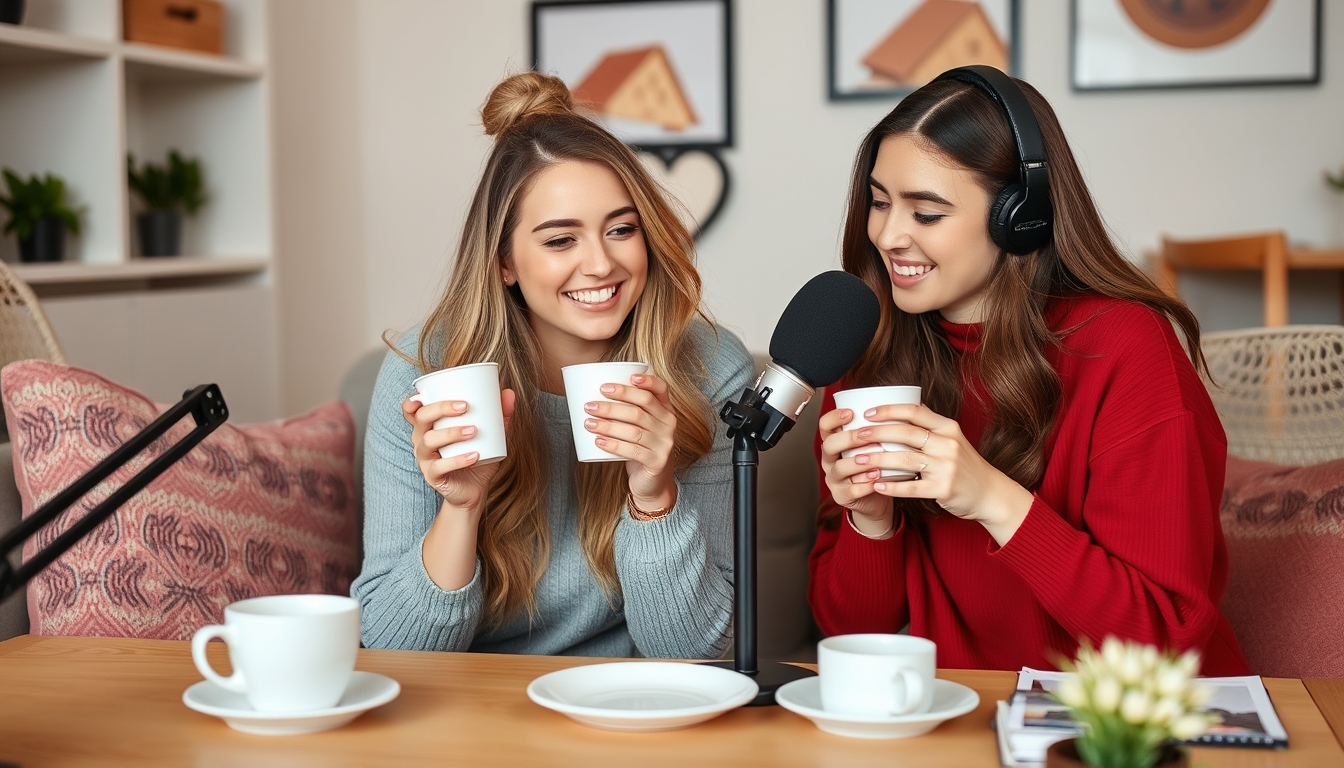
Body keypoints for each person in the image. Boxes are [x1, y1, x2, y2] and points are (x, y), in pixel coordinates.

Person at [807, 67, 1250, 675]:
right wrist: (870, 519)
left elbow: (1163, 640)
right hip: (968, 717)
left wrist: (989, 496)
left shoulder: (1125, 348)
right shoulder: (870, 353)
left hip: (1133, 724)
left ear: (1020, 218)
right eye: (879, 203)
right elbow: (848, 630)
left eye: (927, 213)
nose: (887, 234)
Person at [352, 72, 752, 658]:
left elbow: (703, 652)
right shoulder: (426, 371)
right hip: (477, 711)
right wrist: (461, 510)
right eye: (560, 240)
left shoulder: (708, 370)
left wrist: (653, 494)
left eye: (621, 229)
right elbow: (391, 649)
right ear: (505, 262)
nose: (600, 264)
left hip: (629, 709)